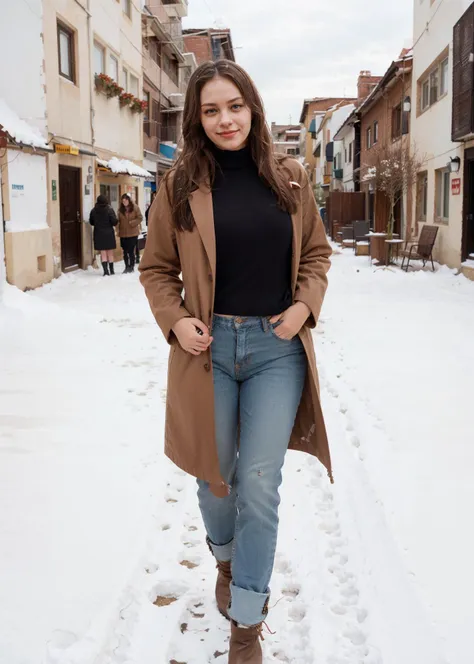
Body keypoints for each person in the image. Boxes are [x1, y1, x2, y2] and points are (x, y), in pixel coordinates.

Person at [139, 60, 332, 663]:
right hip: (209, 351)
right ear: (199, 119)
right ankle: (224, 557)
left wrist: (304, 307)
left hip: (277, 350)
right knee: (216, 476)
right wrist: (176, 319)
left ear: (253, 106)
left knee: (259, 482)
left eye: (236, 106)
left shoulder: (290, 178)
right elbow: (156, 269)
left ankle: (246, 622)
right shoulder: (178, 186)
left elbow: (317, 256)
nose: (226, 120)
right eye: (212, 110)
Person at [89, 194, 118, 276]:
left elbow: (91, 222)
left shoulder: (94, 210)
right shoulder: (109, 209)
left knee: (103, 253)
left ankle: (105, 271)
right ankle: (112, 270)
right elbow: (114, 222)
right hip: (109, 233)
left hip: (98, 233)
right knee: (110, 253)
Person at [118, 194, 143, 273]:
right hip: (123, 233)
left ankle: (131, 266)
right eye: (123, 201)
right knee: (125, 251)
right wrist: (117, 227)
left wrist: (133, 223)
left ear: (129, 200)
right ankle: (126, 266)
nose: (124, 202)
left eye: (125, 201)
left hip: (133, 233)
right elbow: (118, 220)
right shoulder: (120, 209)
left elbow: (140, 217)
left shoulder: (135, 207)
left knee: (131, 250)